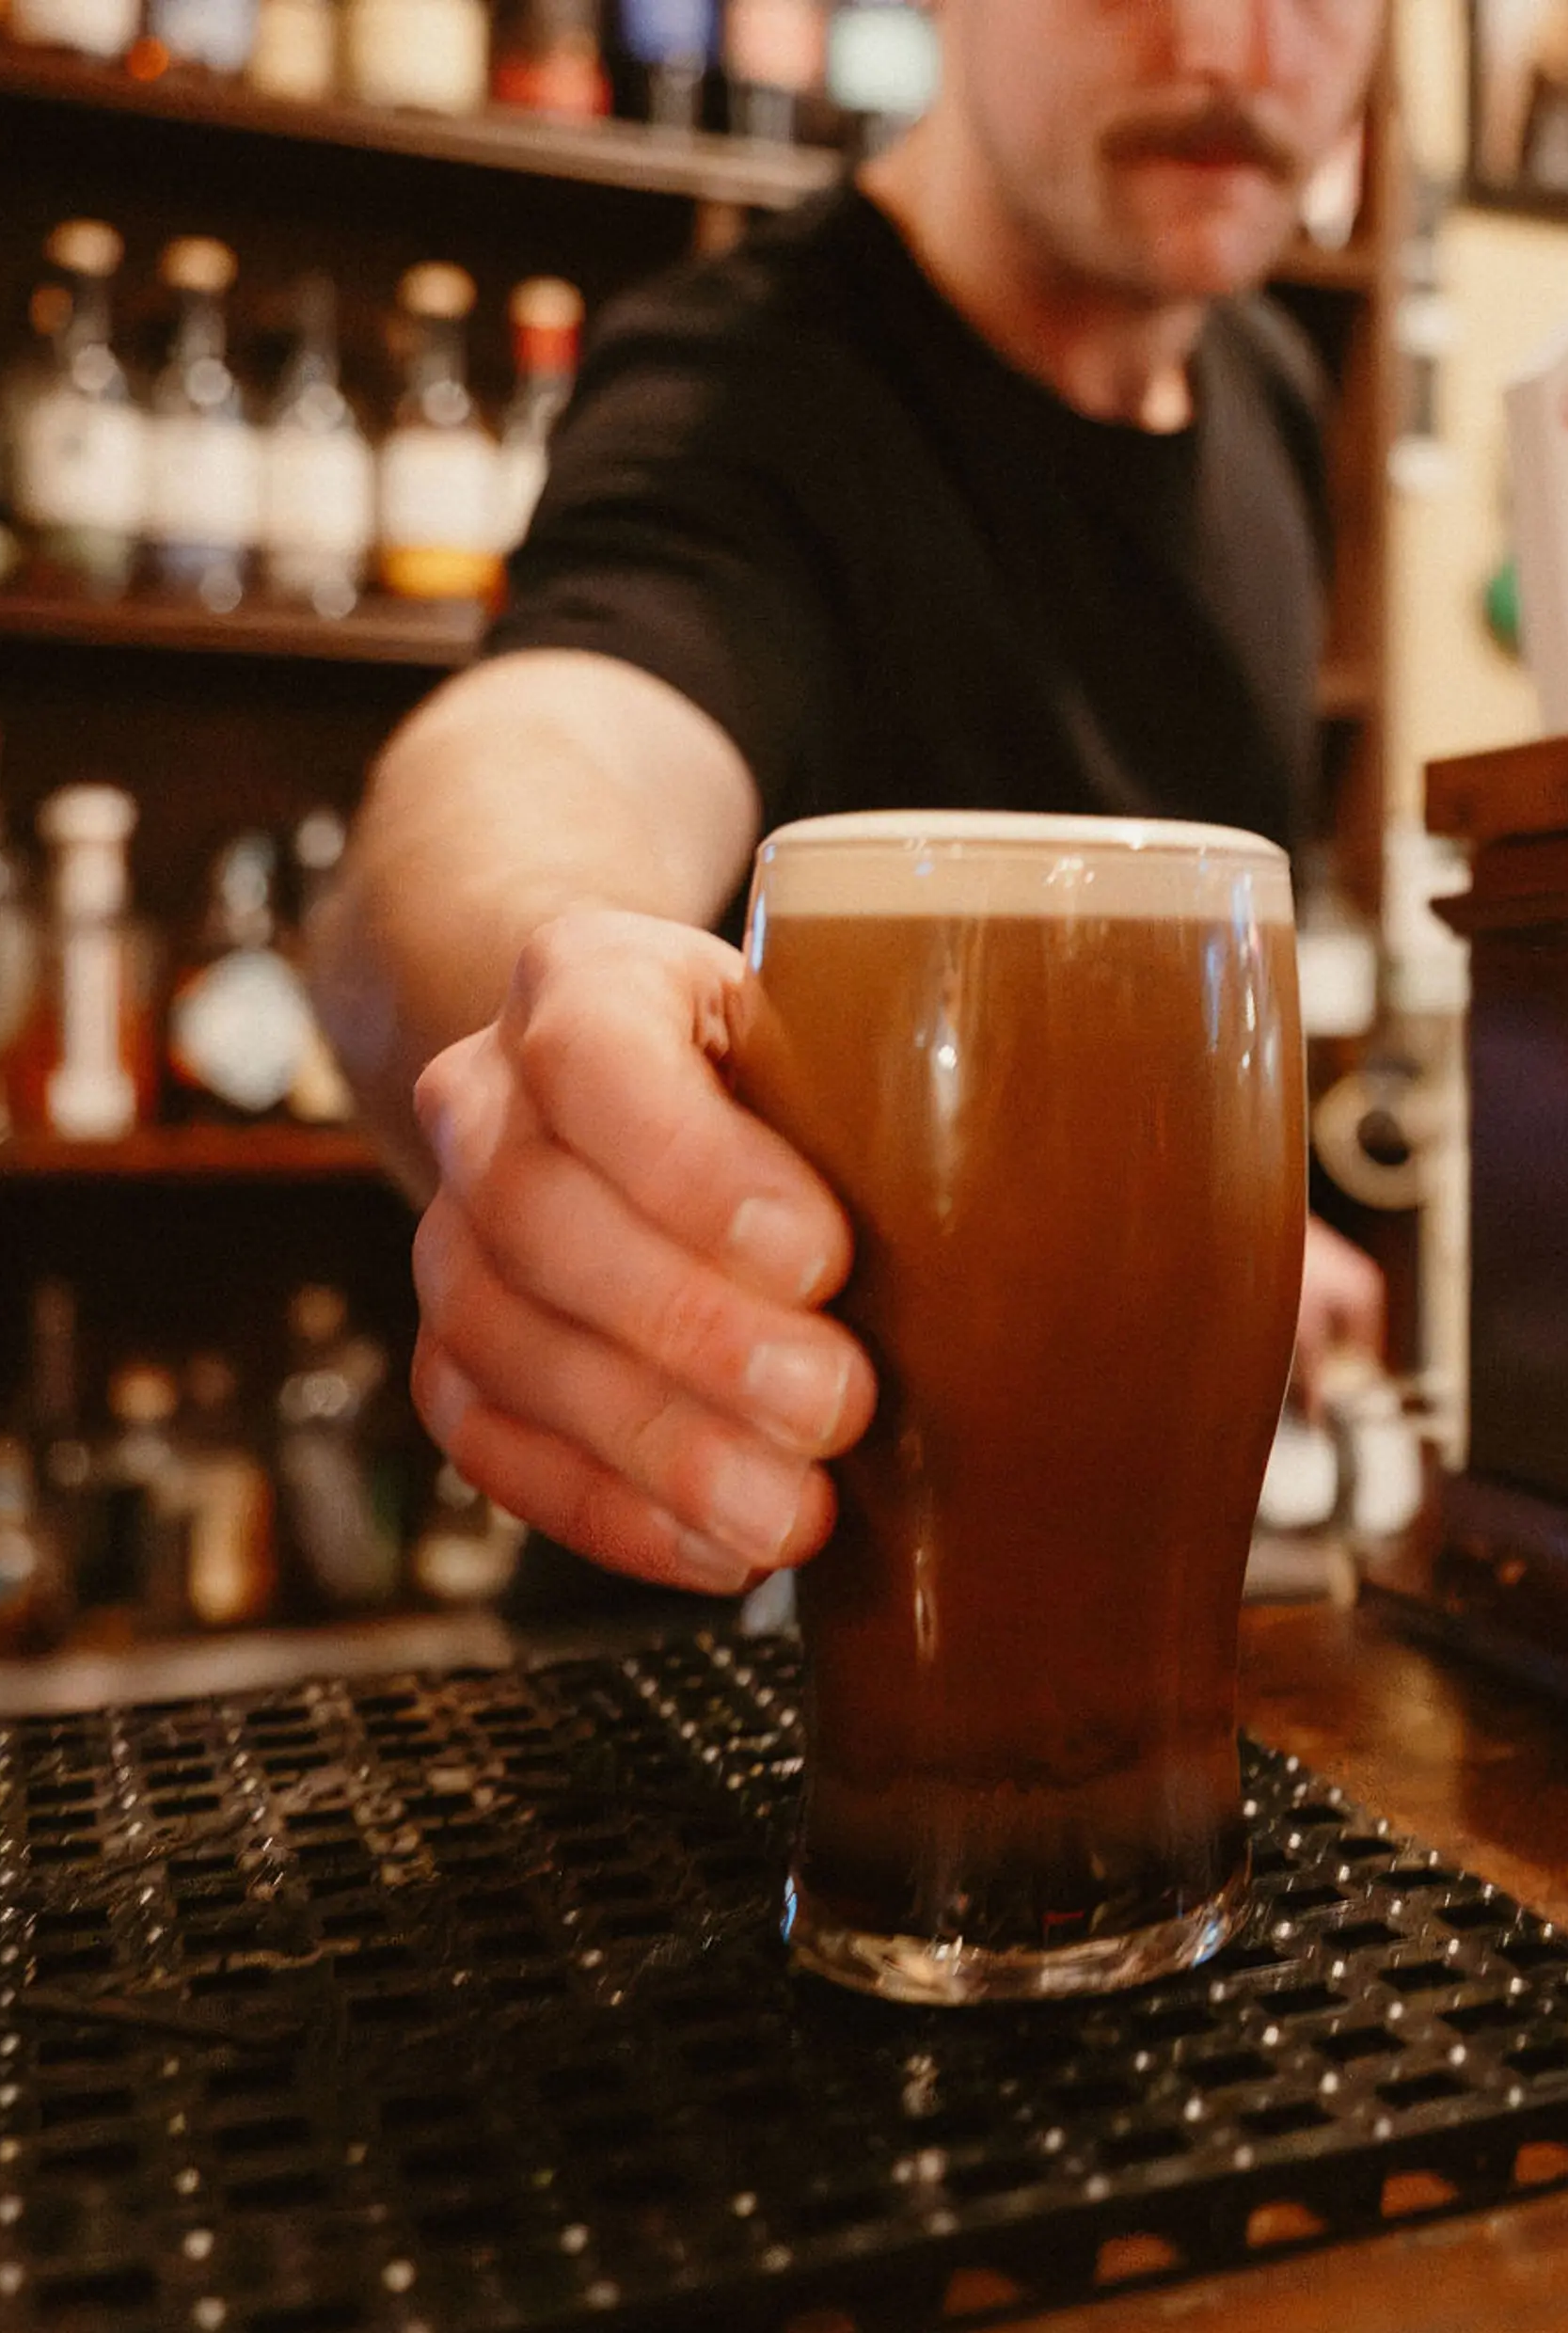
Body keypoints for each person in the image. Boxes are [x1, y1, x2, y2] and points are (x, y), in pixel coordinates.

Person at [310, 0, 1388, 1599]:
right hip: (735, 1625)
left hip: (1096, 1623)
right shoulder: (746, 382)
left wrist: (1220, 1256)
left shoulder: (1273, 389)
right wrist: (548, 989)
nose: (1235, 47)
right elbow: (549, 752)